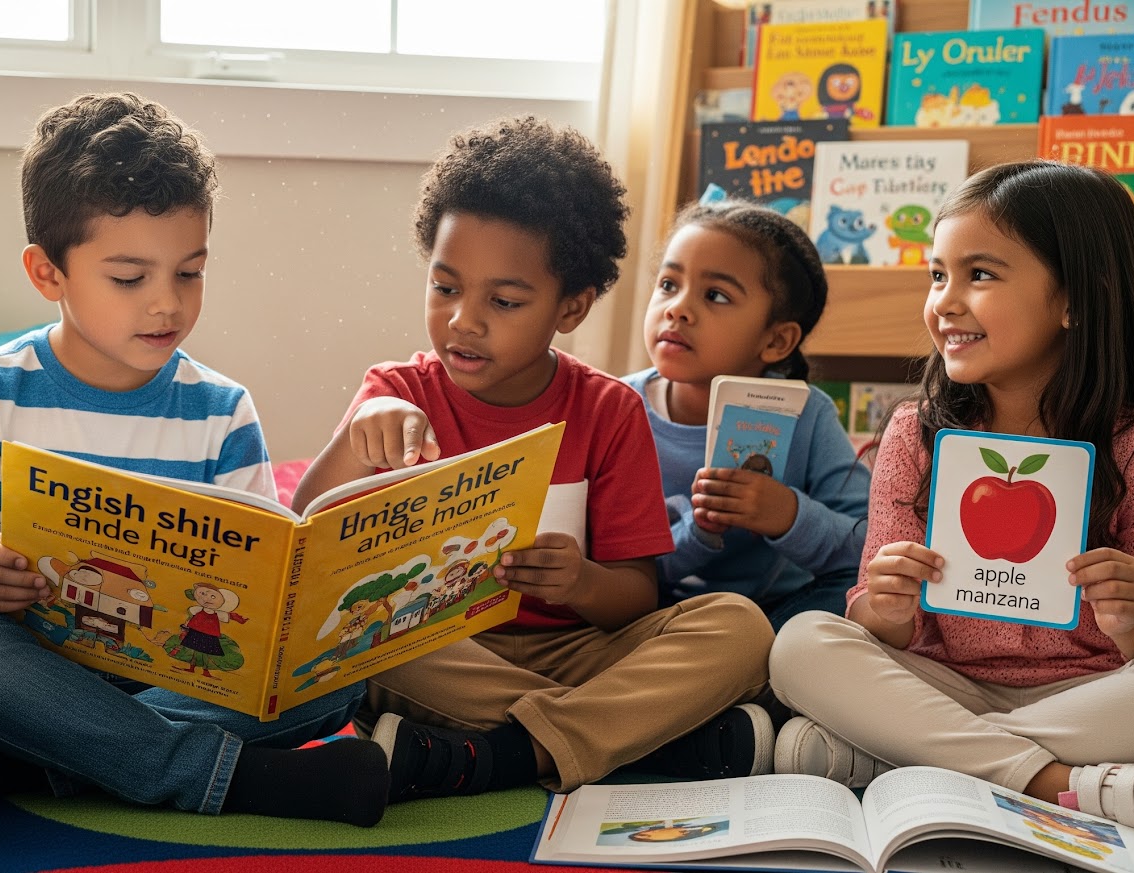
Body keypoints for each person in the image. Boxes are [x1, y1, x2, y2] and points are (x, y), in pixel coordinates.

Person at [0, 92, 390, 827]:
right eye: (130, 278)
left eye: (189, 273)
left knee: (340, 672)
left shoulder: (221, 410)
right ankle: (236, 779)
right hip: (36, 675)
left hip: (177, 681)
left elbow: (259, 596)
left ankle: (49, 760)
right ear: (47, 272)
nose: (167, 305)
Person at [292, 116, 776, 803]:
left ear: (571, 307)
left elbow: (635, 596)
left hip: (575, 649)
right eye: (445, 286)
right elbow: (302, 536)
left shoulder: (609, 410)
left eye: (505, 301)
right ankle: (647, 736)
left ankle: (506, 754)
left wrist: (580, 580)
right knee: (353, 640)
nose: (464, 318)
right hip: (445, 653)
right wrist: (355, 437)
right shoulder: (396, 392)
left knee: (740, 626)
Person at [769, 160, 1134, 844]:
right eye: (937, 275)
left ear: (1074, 298)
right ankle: (1064, 785)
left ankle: (892, 755)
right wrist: (889, 603)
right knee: (801, 643)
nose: (945, 301)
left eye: (979, 275)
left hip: (1088, 695)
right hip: (941, 683)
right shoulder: (915, 432)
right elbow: (873, 622)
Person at [622, 201, 869, 631]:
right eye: (667, 284)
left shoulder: (808, 414)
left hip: (773, 614)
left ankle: (753, 679)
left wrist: (790, 515)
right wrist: (696, 536)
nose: (676, 309)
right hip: (649, 613)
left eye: (715, 295)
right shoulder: (617, 406)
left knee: (859, 589)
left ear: (776, 341)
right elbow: (613, 564)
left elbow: (869, 544)